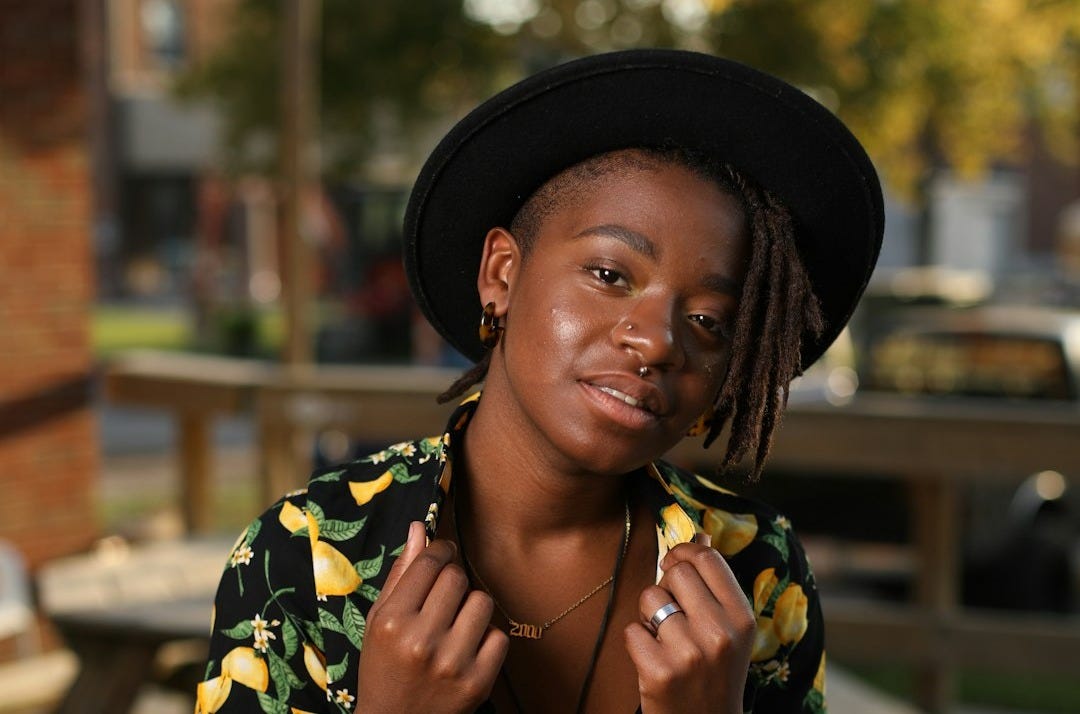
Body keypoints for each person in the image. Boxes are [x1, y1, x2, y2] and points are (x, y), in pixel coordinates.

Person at [196, 49, 883, 714]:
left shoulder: (759, 571)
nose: (657, 340)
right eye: (611, 276)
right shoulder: (303, 556)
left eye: (708, 320)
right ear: (501, 275)